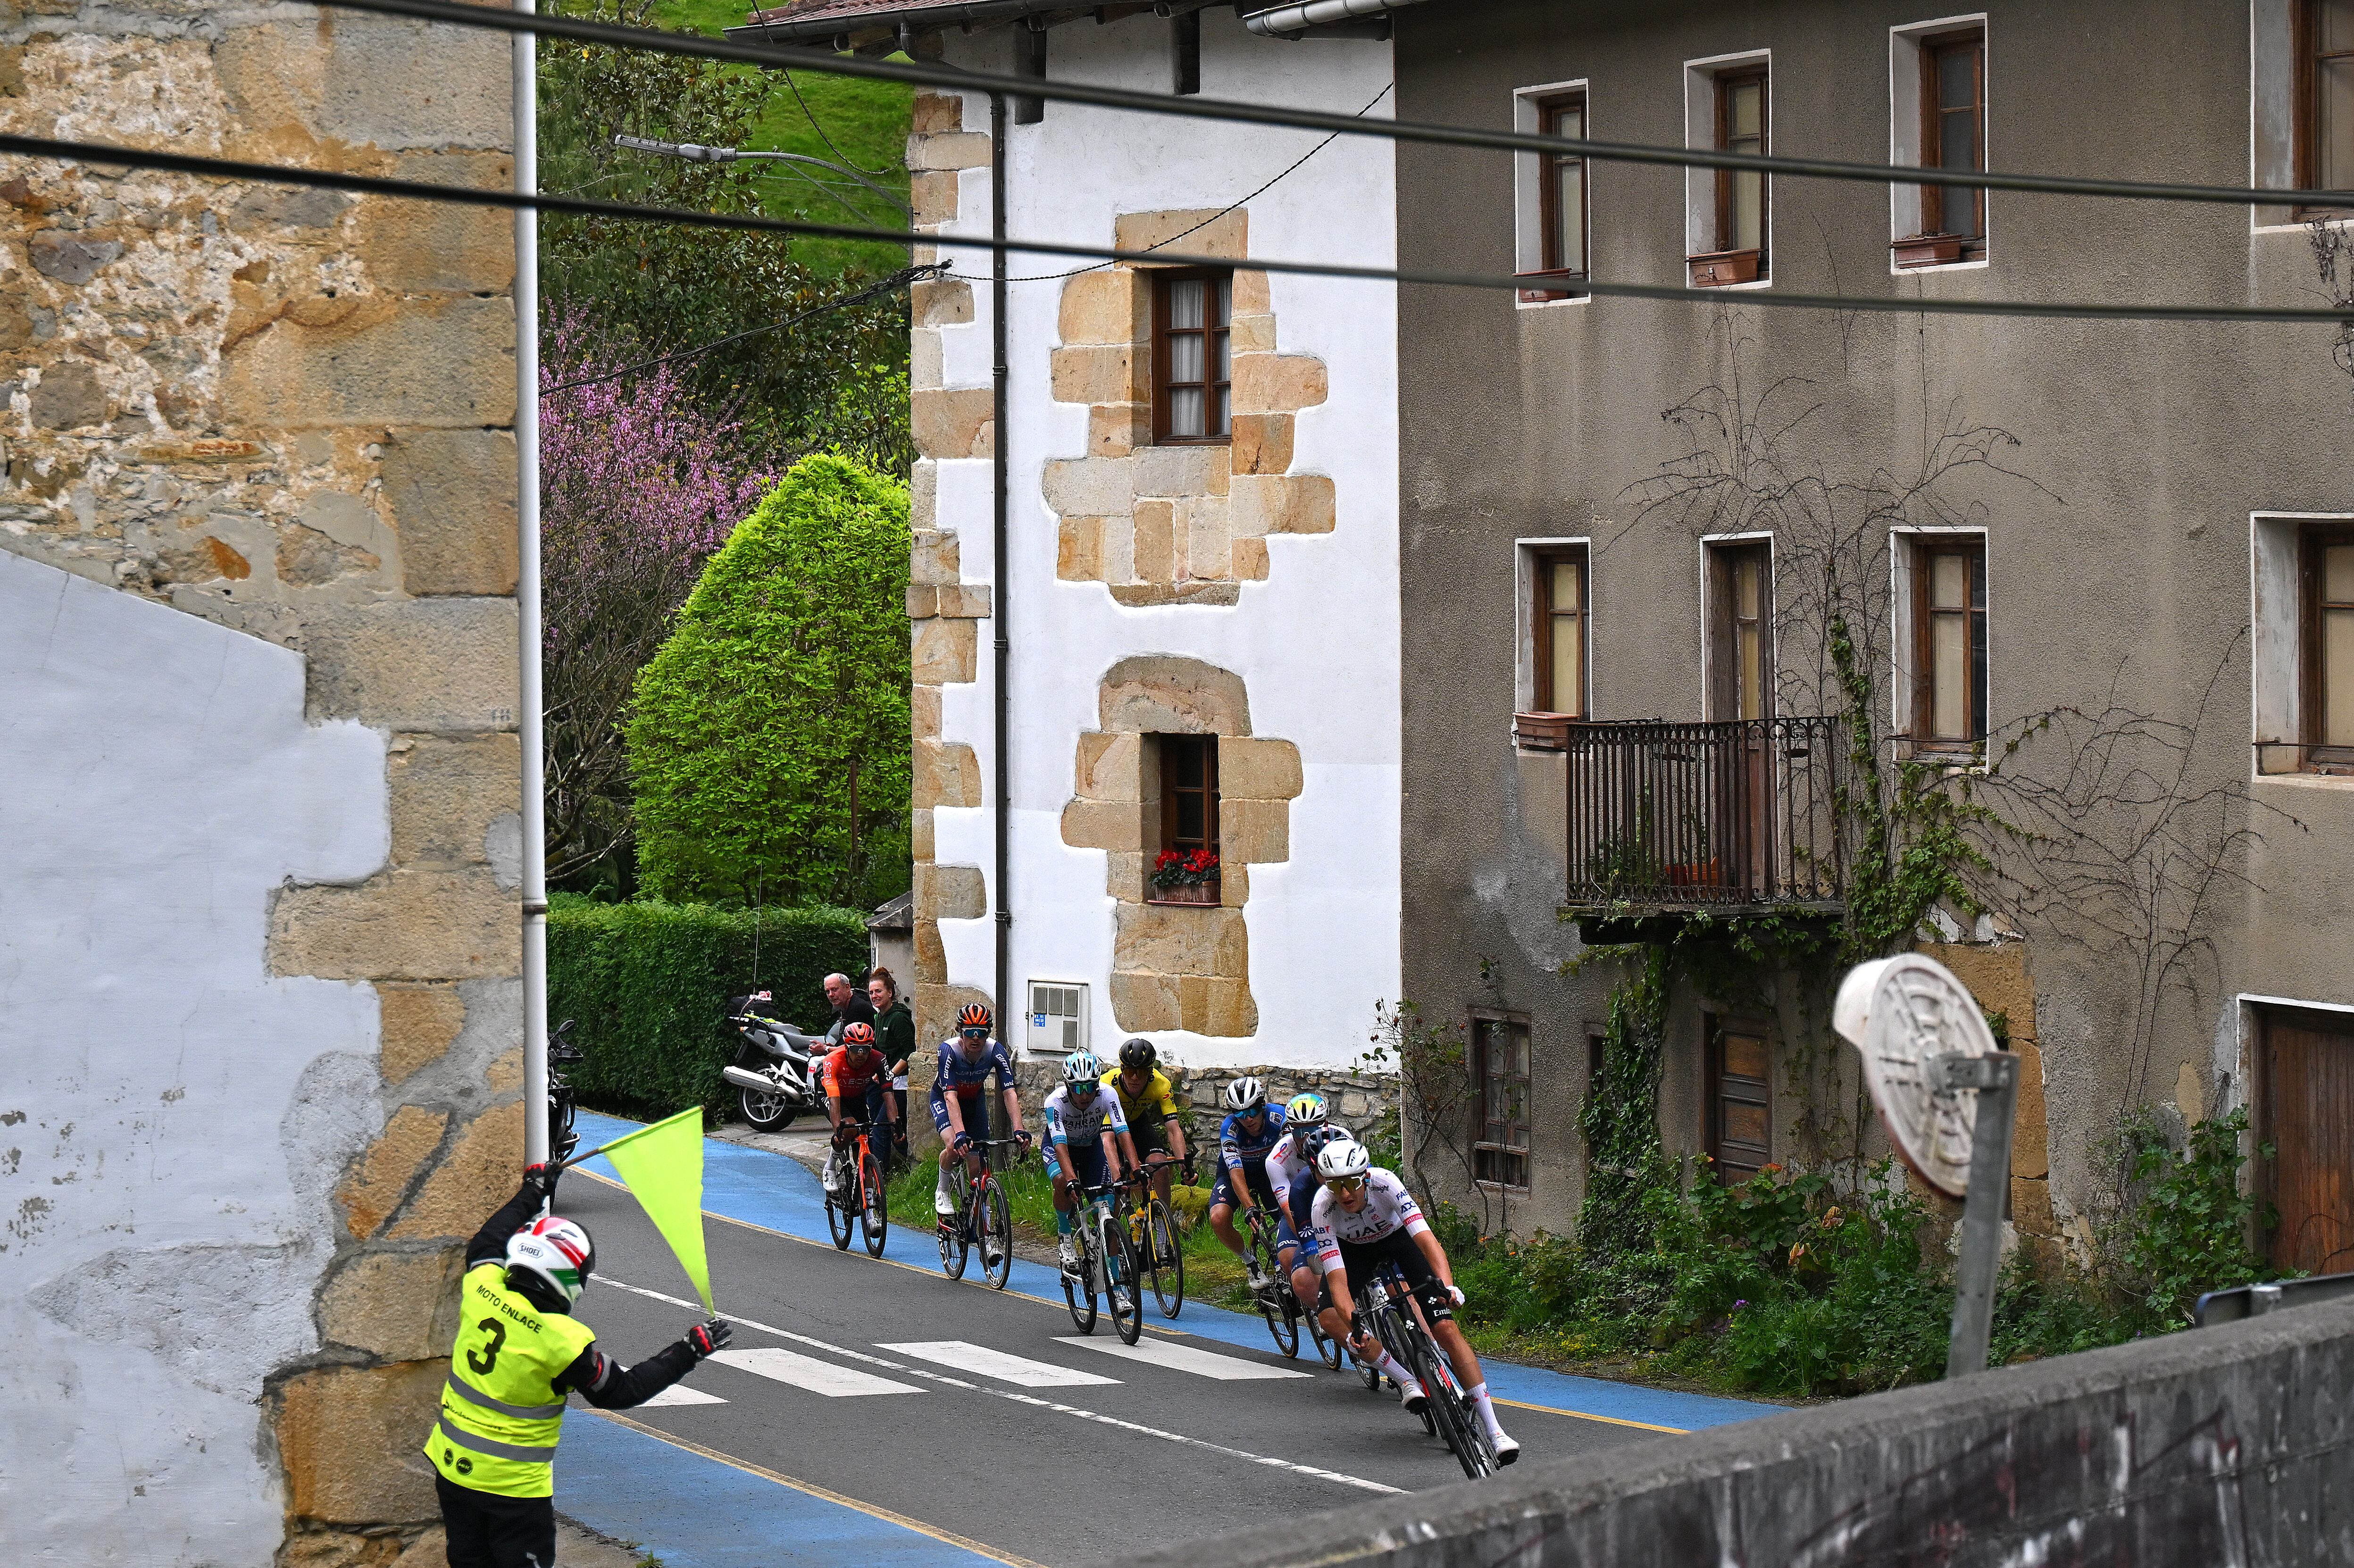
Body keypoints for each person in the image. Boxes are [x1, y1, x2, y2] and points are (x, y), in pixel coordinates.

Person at [427, 1163, 732, 1567]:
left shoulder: (483, 1288)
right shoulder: (561, 1341)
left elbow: (487, 1240)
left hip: (453, 1471)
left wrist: (534, 1189)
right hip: (513, 1490)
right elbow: (623, 1391)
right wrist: (689, 1351)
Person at [1306, 1138, 1518, 1464]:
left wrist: (1447, 1286)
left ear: (1364, 1178)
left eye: (1350, 1183)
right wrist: (1355, 1325)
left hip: (1397, 1241)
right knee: (1331, 1317)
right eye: (1335, 1185)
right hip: (1354, 1252)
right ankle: (1404, 1378)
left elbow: (1428, 1243)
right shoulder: (1323, 1207)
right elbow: (1338, 1283)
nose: (1345, 1194)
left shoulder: (1386, 1184)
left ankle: (1495, 1431)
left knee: (1446, 1328)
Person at [930, 1001, 1030, 1224]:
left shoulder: (995, 1050)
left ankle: (983, 1223)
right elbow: (950, 1097)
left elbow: (1010, 1092)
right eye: (970, 1033)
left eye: (982, 1033)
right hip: (946, 1100)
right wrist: (959, 1134)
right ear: (960, 1032)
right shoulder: (949, 1051)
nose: (976, 1038)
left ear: (989, 1033)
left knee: (977, 1166)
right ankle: (943, 1190)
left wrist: (1019, 1129)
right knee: (953, 1148)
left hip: (974, 1102)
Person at [1040, 1050, 1138, 1274]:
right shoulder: (1055, 1102)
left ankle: (1116, 1278)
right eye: (1077, 1088)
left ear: (1097, 1084)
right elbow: (1060, 1145)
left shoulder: (1107, 1094)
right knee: (1063, 1181)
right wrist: (1073, 1180)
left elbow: (1122, 1132)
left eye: (1090, 1087)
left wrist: (1136, 1169)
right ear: (1067, 1086)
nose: (1084, 1095)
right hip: (1060, 1148)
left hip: (1091, 1149)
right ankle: (1065, 1234)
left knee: (1107, 1210)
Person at [1206, 1076, 1287, 1290]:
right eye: (1240, 1114)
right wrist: (1250, 1207)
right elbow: (1235, 1171)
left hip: (1270, 1170)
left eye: (1252, 1111)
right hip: (1236, 1172)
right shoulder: (1230, 1129)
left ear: (1262, 1106)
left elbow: (1296, 1151)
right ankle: (1249, 1262)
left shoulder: (1278, 1116)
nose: (1248, 1119)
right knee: (1218, 1218)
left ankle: (1285, 1262)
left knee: (1287, 1215)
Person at [1102, 1036, 1188, 1205]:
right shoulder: (1107, 1086)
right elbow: (1108, 1140)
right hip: (1109, 1126)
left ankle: (1165, 1226)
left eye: (1141, 1072)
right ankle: (1114, 1228)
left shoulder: (1161, 1084)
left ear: (1150, 1073)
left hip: (1138, 1122)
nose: (1135, 1078)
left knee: (1161, 1167)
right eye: (1129, 1072)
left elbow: (1173, 1129)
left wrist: (1185, 1167)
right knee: (1118, 1183)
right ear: (1121, 1069)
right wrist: (1118, 1178)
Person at [1279, 1124, 1353, 1319]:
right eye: (1325, 1172)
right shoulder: (1301, 1190)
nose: (1333, 1177)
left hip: (1358, 1228)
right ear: (1312, 1170)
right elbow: (1313, 1252)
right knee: (1304, 1280)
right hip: (1318, 1227)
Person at [818, 1021, 897, 1200]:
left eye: (866, 1049)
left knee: (864, 1146)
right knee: (850, 1127)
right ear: (846, 1047)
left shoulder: (878, 1059)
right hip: (832, 1095)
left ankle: (869, 1212)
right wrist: (838, 1129)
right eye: (855, 1049)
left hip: (856, 1097)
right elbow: (835, 1099)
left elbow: (888, 1094)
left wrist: (895, 1123)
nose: (861, 1054)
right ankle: (830, 1166)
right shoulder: (833, 1061)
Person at [867, 966, 917, 1168]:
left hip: (900, 1083)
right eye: (871, 993)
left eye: (878, 991)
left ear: (890, 993)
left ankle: (879, 1174)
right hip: (885, 1080)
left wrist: (890, 1074)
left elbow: (910, 1052)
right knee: (875, 1121)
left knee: (883, 1126)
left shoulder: (898, 1018)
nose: (874, 996)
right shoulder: (879, 1017)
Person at [824, 971, 876, 1042]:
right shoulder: (845, 1006)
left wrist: (827, 1049)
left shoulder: (857, 1008)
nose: (831, 995)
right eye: (828, 992)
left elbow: (852, 1044)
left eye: (834, 990)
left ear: (847, 987)